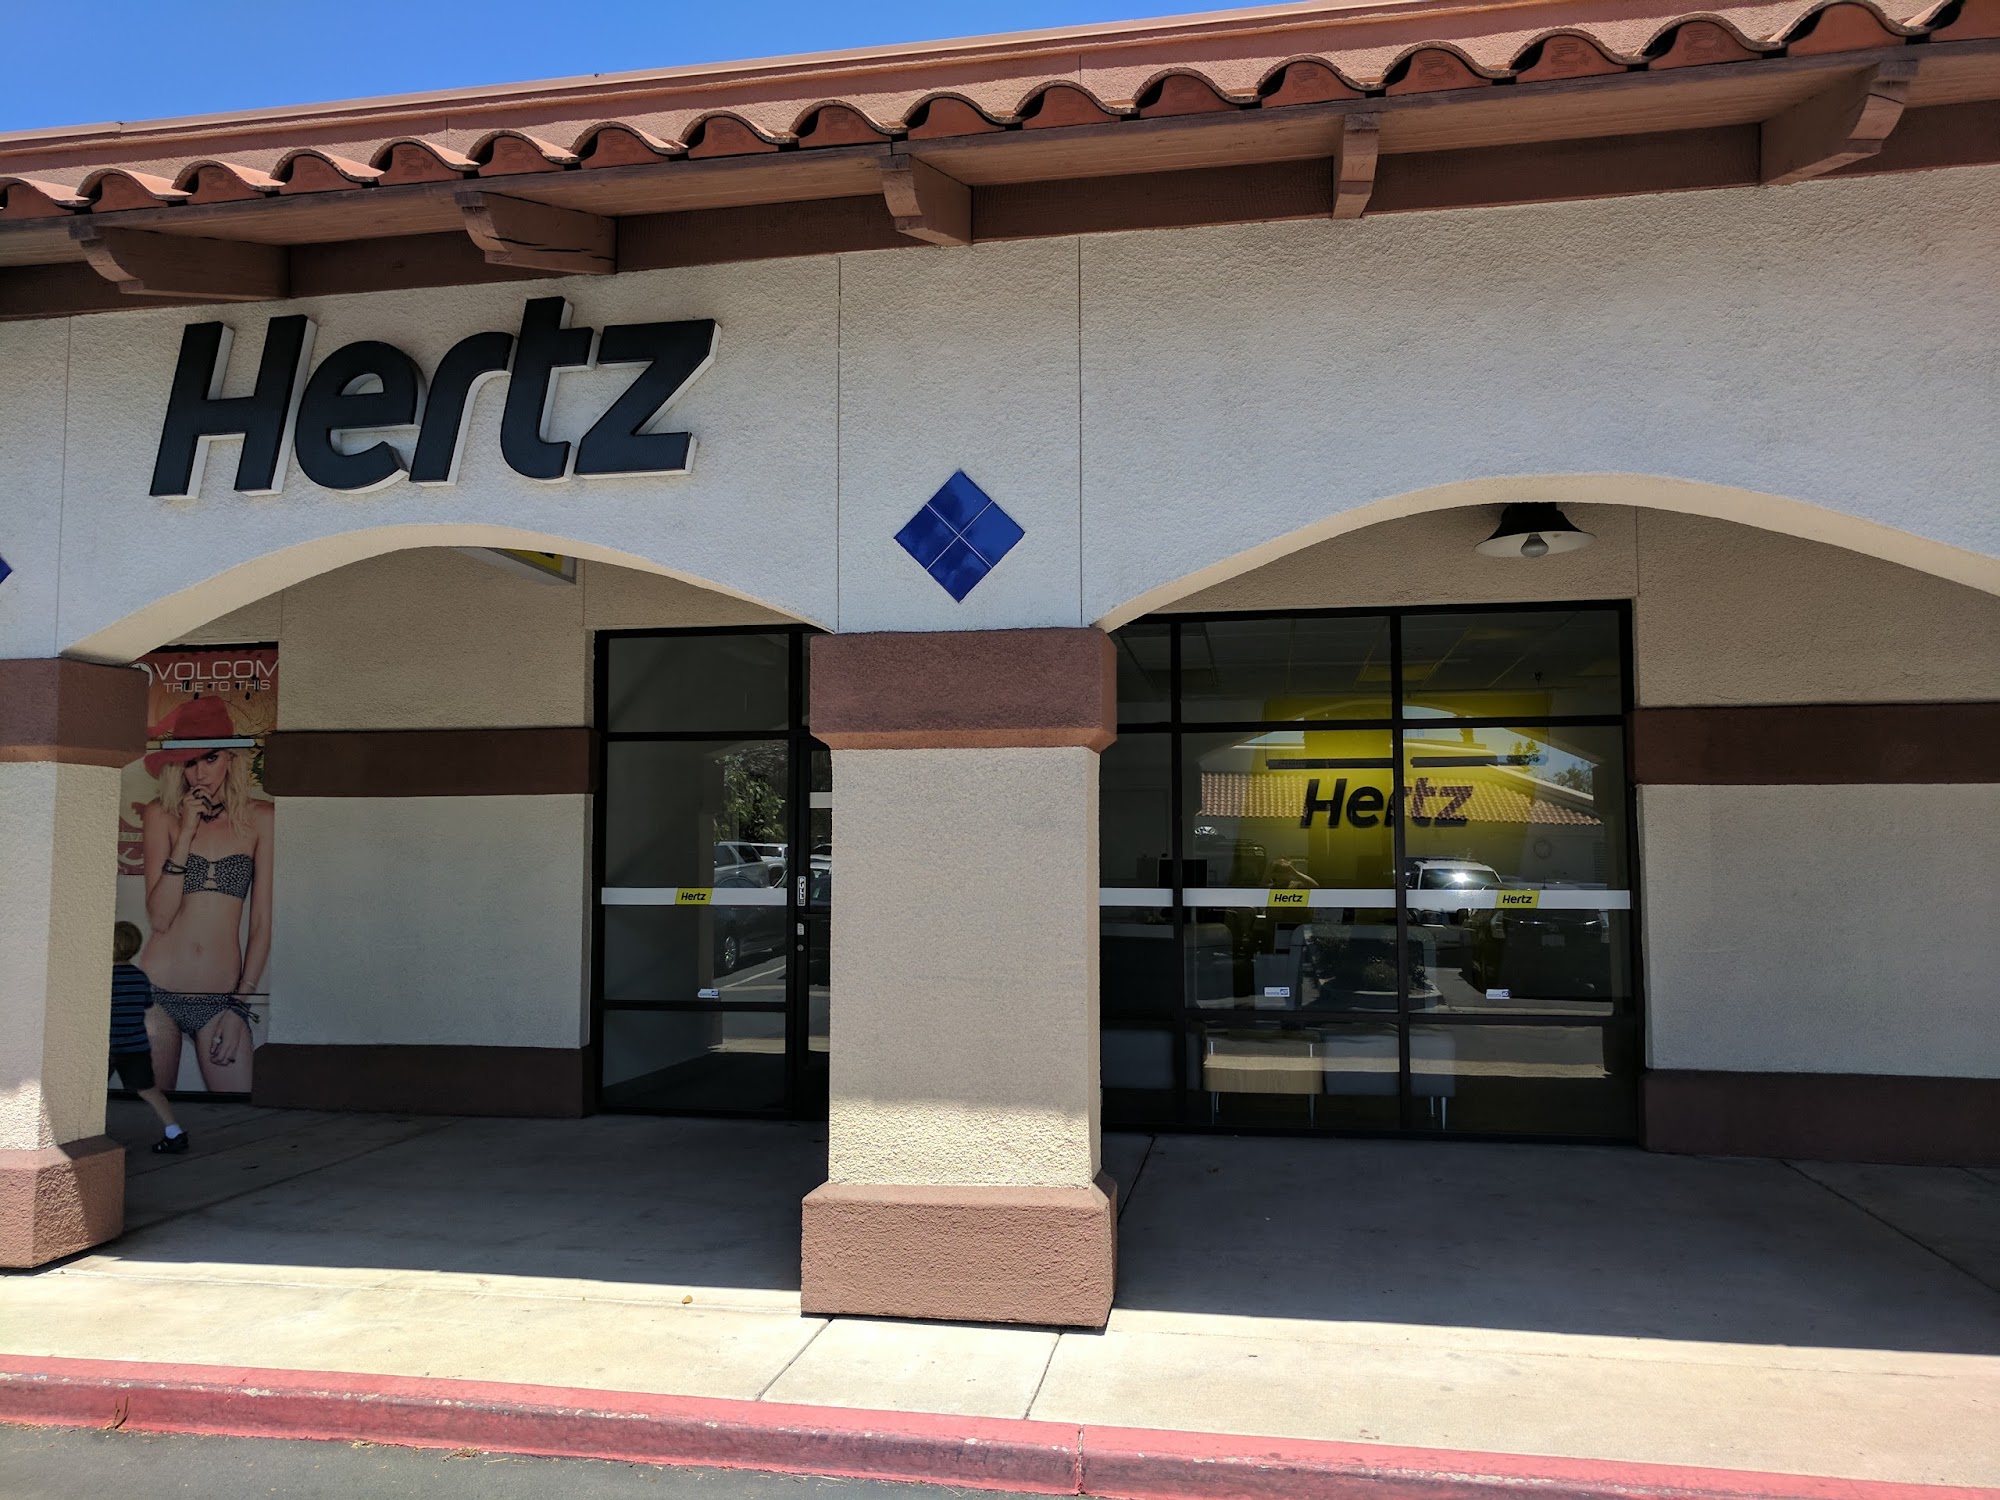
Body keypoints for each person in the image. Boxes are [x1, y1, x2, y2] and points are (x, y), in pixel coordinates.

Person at [137, 695, 273, 1094]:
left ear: (231, 757)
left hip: (221, 998)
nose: (199, 773)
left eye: (210, 758)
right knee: (151, 1117)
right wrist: (186, 836)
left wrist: (240, 1006)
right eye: (189, 762)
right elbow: (160, 919)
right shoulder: (161, 814)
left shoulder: (261, 819)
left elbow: (262, 925)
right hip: (158, 991)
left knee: (238, 1112)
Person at [110, 921, 187, 1153]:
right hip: (136, 1046)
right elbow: (146, 1004)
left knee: (89, 1091)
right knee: (148, 1089)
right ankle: (174, 1131)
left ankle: (82, 1136)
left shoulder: (102, 977)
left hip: (105, 1045)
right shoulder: (139, 977)